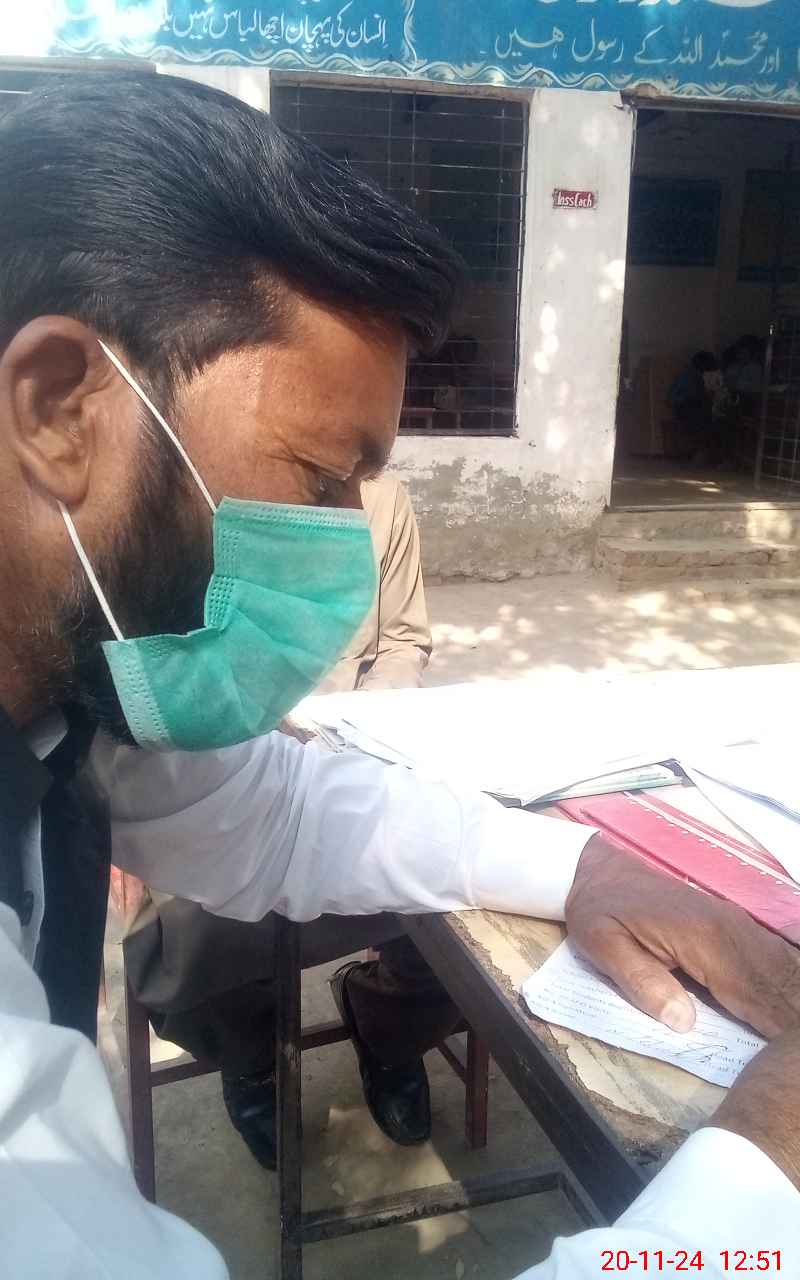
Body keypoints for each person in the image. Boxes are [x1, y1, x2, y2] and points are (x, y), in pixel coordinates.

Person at [1, 72, 799, 1277]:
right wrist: (759, 1170)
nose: (340, 539)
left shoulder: (62, 690)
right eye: (318, 475)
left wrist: (581, 866)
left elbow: (268, 806)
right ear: (60, 408)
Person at [125, 472, 448, 1166]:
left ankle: (388, 1028)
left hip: (352, 758)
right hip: (220, 772)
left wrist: (360, 725)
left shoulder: (381, 498)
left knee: (458, 906)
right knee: (188, 940)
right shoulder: (185, 490)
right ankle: (252, 1062)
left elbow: (402, 643)